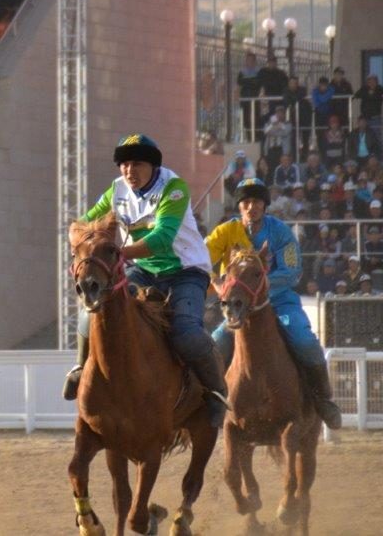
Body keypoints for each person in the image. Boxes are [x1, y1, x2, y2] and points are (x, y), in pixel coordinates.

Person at [61, 134, 228, 427]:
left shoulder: (173, 189)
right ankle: (79, 368)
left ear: (153, 166)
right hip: (142, 269)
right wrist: (83, 241)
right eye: (124, 165)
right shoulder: (117, 190)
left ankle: (216, 392)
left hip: (185, 271)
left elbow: (162, 239)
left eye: (137, 164)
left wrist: (116, 253)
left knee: (186, 333)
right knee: (95, 314)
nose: (129, 171)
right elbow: (82, 224)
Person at [205, 178, 343, 429]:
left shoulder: (280, 231)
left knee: (304, 340)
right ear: (239, 206)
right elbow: (199, 261)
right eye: (245, 202)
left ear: (265, 205)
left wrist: (259, 286)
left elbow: (293, 271)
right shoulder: (225, 232)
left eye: (257, 201)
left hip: (280, 303)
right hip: (238, 308)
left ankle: (322, 399)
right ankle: (209, 403)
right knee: (214, 344)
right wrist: (217, 283)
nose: (251, 207)